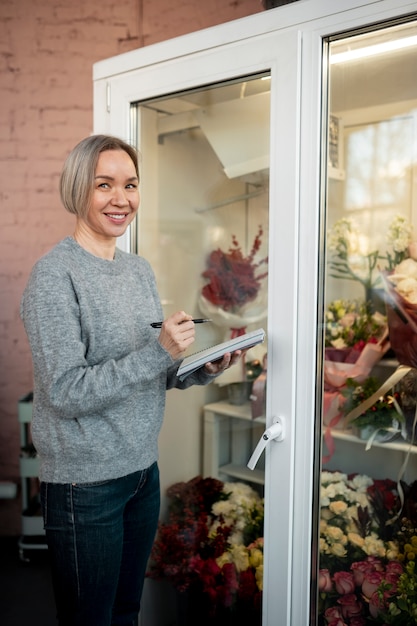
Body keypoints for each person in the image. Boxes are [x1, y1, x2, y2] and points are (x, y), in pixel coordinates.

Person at [20, 134, 243, 626]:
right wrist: (158, 351)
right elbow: (65, 393)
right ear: (78, 188)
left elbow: (145, 373)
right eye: (105, 185)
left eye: (130, 184)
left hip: (142, 472)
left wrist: (195, 369)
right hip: (87, 484)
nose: (121, 199)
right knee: (90, 619)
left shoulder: (138, 271)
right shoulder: (54, 278)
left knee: (126, 611)